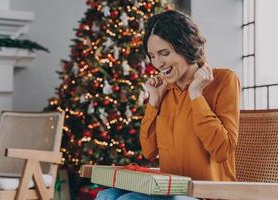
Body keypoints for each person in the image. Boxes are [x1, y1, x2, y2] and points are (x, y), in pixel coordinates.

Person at [96, 9, 240, 200]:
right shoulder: (164, 89)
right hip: (169, 189)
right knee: (106, 196)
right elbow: (149, 151)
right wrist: (154, 101)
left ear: (186, 46)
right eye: (152, 56)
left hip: (207, 195)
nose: (158, 63)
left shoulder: (223, 80)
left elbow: (222, 150)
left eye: (164, 53)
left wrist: (196, 94)